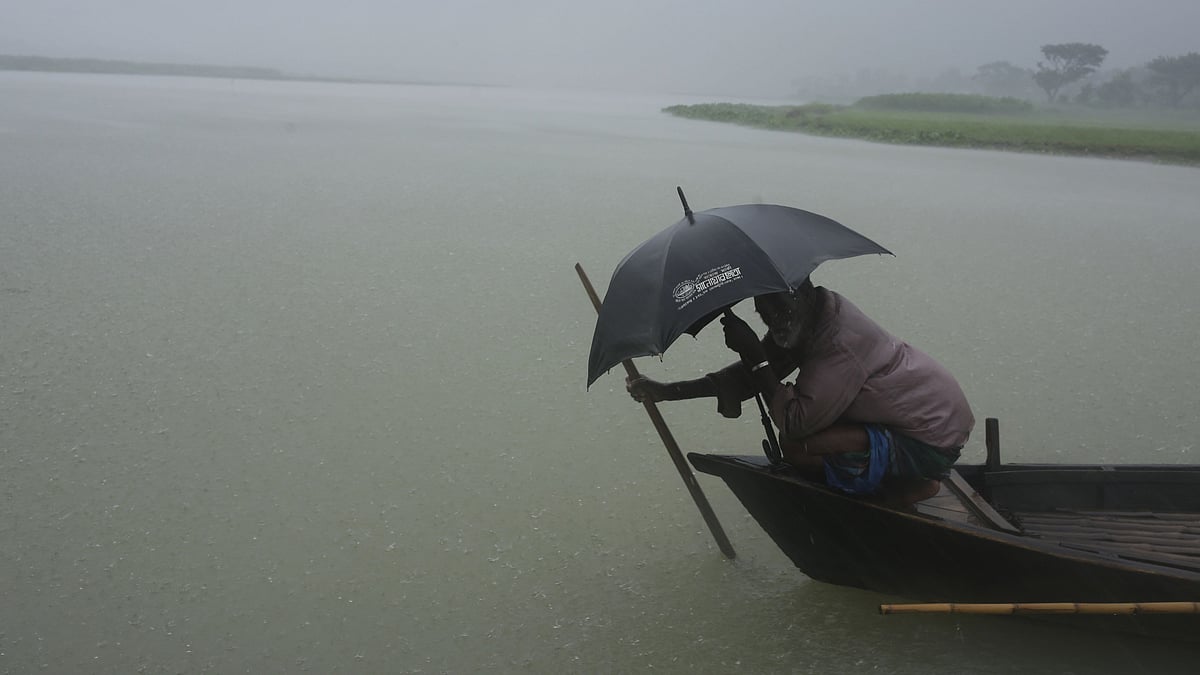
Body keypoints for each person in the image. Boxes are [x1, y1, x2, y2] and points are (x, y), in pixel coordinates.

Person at [627, 278, 974, 505]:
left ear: (803, 294)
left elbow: (795, 421)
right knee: (802, 440)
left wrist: (754, 354)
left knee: (797, 448)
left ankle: (913, 484)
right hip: (924, 418)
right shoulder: (809, 317)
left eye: (780, 308)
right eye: (764, 312)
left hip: (930, 440)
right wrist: (667, 392)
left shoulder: (837, 340)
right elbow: (753, 376)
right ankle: (885, 478)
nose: (775, 319)